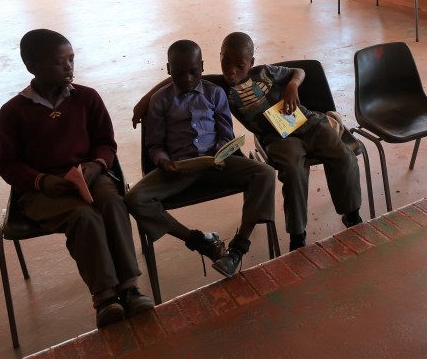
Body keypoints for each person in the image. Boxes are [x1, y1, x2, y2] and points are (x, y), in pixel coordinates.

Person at [131, 32, 363, 266]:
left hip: (307, 123)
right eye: (225, 63)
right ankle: (297, 236)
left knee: (343, 155)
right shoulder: (219, 86)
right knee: (293, 170)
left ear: (251, 63)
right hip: (278, 138)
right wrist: (145, 101)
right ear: (218, 58)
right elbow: (181, 76)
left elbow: (300, 72)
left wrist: (292, 85)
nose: (231, 71)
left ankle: (352, 215)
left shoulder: (261, 73)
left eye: (239, 65)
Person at [0, 29, 154, 328]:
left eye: (71, 59)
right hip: (42, 189)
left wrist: (96, 165)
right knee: (83, 217)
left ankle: (130, 287)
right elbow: (8, 164)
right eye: (59, 62)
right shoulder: (13, 112)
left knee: (113, 202)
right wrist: (42, 181)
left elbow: (106, 142)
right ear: (32, 66)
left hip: (89, 175)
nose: (69, 67)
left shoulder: (87, 98)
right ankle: (105, 297)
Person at [125, 39, 276, 278]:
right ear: (168, 69)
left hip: (216, 164)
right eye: (178, 73)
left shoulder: (215, 93)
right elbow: (154, 145)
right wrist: (164, 162)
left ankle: (238, 248)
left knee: (264, 173)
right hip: (178, 169)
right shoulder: (160, 101)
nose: (186, 79)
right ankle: (200, 241)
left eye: (193, 72)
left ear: (202, 67)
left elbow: (225, 132)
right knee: (135, 198)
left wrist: (221, 151)